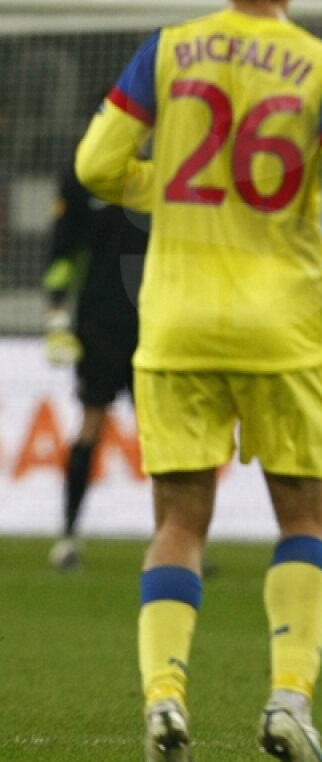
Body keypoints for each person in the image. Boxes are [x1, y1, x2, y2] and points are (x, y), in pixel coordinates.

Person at [74, 0, 322, 762]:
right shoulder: (320, 65)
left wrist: (176, 187)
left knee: (179, 523)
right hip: (280, 330)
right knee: (305, 519)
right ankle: (289, 698)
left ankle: (165, 697)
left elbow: (96, 164)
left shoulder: (168, 51)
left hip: (174, 323)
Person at [44, 162, 149, 571]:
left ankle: (178, 541)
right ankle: (68, 536)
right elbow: (62, 248)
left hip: (156, 321)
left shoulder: (164, 165)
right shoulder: (83, 173)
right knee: (91, 426)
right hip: (99, 323)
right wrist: (56, 312)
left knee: (164, 435)